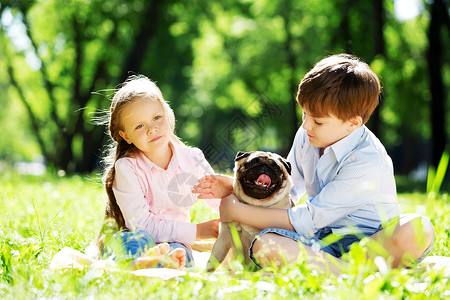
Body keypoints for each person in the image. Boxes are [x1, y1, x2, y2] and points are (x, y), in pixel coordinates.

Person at [192, 54, 434, 274]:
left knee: (418, 227)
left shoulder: (367, 160)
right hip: (320, 242)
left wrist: (238, 211)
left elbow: (308, 218)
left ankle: (345, 271)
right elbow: (288, 192)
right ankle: (349, 271)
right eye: (304, 113)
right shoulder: (308, 135)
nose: (306, 125)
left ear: (353, 123)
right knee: (265, 244)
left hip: (371, 241)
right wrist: (237, 189)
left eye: (317, 121)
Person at [98, 75, 220, 268]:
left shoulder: (192, 159)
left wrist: (235, 221)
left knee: (180, 254)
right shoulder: (128, 167)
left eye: (156, 117)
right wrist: (197, 231)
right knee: (135, 241)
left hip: (174, 243)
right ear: (125, 135)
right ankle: (141, 263)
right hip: (135, 237)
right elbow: (141, 224)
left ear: (167, 114)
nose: (152, 129)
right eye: (139, 126)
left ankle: (158, 264)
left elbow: (220, 200)